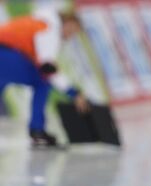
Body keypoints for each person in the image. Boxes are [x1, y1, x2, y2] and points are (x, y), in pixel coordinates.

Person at [0, 9, 90, 147]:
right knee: (42, 82)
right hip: (6, 54)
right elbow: (47, 68)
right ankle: (37, 130)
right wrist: (74, 93)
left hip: (6, 52)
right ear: (65, 22)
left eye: (74, 33)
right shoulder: (50, 29)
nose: (70, 34)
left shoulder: (39, 22)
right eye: (71, 29)